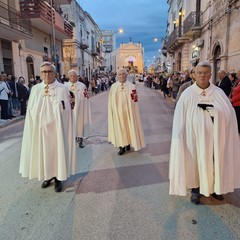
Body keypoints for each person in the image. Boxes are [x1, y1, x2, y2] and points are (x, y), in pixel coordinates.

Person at [169, 61, 240, 204]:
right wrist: (178, 136)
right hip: (193, 137)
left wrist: (216, 112)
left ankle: (215, 188)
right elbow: (179, 117)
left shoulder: (218, 93)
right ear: (194, 74)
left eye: (206, 73)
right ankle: (196, 189)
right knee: (194, 161)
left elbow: (229, 115)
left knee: (215, 161)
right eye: (199, 73)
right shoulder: (187, 94)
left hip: (216, 138)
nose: (202, 75)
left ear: (210, 74)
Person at [19, 62, 76, 192]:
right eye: (44, 72)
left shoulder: (62, 89)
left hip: (57, 130)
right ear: (41, 73)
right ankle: (48, 175)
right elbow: (31, 110)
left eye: (49, 71)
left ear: (54, 73)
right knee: (44, 152)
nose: (47, 74)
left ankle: (58, 178)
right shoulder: (36, 89)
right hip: (41, 130)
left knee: (57, 152)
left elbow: (67, 110)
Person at [108, 68, 145, 155]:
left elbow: (135, 100)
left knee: (128, 128)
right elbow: (110, 101)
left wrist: (132, 111)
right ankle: (121, 147)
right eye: (119, 74)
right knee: (119, 129)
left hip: (129, 112)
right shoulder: (113, 87)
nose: (121, 76)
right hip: (118, 113)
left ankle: (128, 144)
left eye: (123, 74)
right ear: (117, 76)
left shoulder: (132, 86)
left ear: (126, 75)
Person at [65, 69, 91, 148]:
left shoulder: (82, 86)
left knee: (79, 124)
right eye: (71, 75)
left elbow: (85, 97)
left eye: (74, 75)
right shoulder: (65, 86)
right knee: (70, 124)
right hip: (69, 110)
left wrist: (77, 99)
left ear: (77, 77)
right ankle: (72, 139)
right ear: (68, 76)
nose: (72, 77)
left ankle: (80, 139)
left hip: (79, 108)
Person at [230, 70, 240, 134]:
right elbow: (233, 90)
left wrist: (232, 100)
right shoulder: (237, 82)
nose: (237, 76)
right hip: (235, 104)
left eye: (238, 74)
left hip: (238, 104)